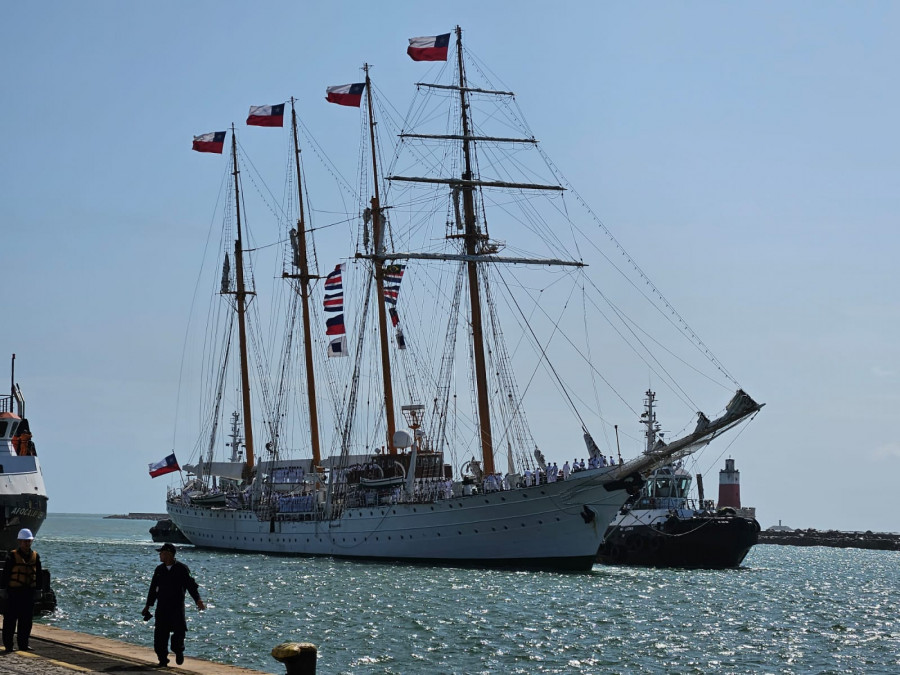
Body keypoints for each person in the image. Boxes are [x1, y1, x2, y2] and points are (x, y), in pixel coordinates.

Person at [142, 543, 205, 667]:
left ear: (169, 554)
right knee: (160, 636)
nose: (160, 555)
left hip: (177, 607)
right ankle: (163, 660)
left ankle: (178, 651)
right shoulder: (159, 570)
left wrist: (198, 600)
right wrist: (148, 606)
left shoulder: (182, 569)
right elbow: (153, 589)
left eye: (162, 553)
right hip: (162, 608)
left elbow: (191, 586)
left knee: (178, 634)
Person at [0, 528, 42, 652]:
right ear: (19, 541)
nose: (27, 543)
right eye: (24, 541)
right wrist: (3, 589)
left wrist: (39, 590)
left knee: (26, 621)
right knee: (10, 621)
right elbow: (6, 574)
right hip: (14, 593)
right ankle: (8, 645)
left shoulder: (35, 556)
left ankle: (24, 644)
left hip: (28, 593)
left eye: (29, 541)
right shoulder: (12, 556)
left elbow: (38, 574)